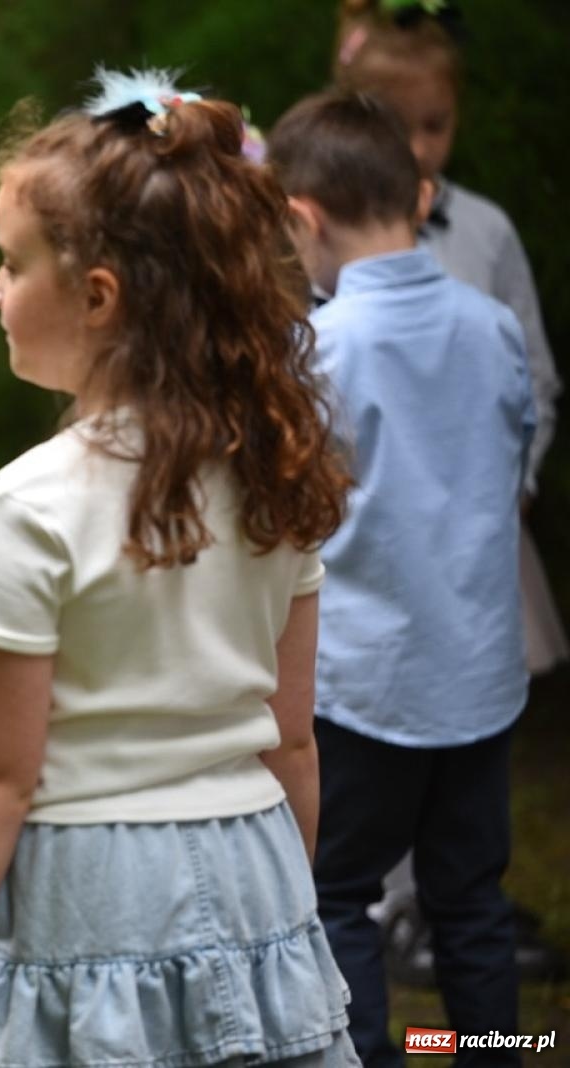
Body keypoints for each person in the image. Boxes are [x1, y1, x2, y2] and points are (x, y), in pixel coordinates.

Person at [0, 71, 358, 1067]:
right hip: (254, 858)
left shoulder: (23, 507)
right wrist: (276, 915)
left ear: (96, 295)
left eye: (10, 263)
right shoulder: (275, 471)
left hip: (90, 899)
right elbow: (292, 740)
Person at [268, 89, 535, 1067]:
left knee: (335, 894)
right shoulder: (494, 330)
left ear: (301, 218)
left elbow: (290, 512)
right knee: (471, 901)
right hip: (477, 674)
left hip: (363, 686)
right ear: (418, 198)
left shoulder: (323, 349)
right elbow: (517, 466)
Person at [332, 0, 567, 991]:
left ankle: (443, 913)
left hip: (470, 534)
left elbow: (535, 378)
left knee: (461, 740)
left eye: (436, 124)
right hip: (363, 544)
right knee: (368, 737)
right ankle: (389, 915)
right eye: (398, 124)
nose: (420, 147)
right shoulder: (328, 242)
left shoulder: (486, 235)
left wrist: (509, 481)